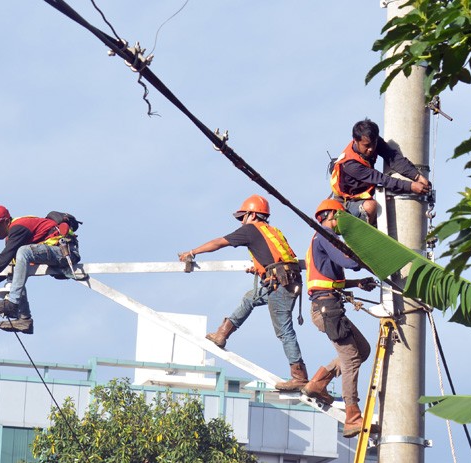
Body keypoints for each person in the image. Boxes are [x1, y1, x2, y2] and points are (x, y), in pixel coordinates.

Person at [178, 194, 308, 391]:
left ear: (252, 214)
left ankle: (299, 376)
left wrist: (192, 252)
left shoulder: (251, 230)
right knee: (250, 298)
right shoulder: (272, 231)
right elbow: (277, 258)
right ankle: (222, 333)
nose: (241, 222)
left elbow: (219, 242)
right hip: (285, 280)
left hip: (281, 285)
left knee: (283, 329)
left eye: (242, 217)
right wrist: (260, 268)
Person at [301, 199, 378, 437]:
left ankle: (318, 383)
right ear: (330, 215)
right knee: (352, 359)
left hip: (328, 306)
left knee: (362, 350)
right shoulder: (325, 234)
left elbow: (332, 279)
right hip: (327, 308)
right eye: (341, 217)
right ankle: (352, 416)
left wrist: (359, 284)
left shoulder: (319, 238)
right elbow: (348, 261)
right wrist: (375, 254)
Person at [0, 205, 81, 334]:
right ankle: (24, 319)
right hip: (54, 252)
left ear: (5, 221)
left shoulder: (18, 227)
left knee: (23, 252)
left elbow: (5, 256)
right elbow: (9, 263)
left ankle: (12, 304)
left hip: (65, 252)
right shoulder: (13, 236)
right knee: (17, 265)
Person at [330, 118, 432, 225]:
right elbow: (381, 179)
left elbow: (393, 159)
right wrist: (411, 186)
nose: (371, 149)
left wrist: (417, 177)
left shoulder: (373, 141)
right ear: (355, 141)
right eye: (366, 146)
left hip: (362, 197)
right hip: (346, 203)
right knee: (371, 206)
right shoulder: (350, 164)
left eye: (373, 144)